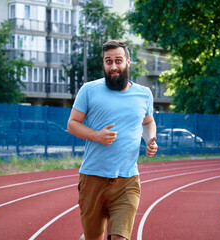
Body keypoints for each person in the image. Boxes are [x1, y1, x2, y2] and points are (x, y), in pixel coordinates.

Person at [67, 40, 158, 240]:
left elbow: (148, 122)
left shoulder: (144, 94)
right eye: (108, 61)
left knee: (120, 237)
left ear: (128, 61)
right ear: (104, 63)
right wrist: (96, 135)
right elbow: (72, 124)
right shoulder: (89, 90)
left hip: (127, 179)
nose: (113, 66)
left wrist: (150, 139)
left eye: (118, 60)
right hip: (93, 178)